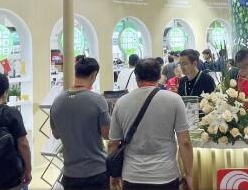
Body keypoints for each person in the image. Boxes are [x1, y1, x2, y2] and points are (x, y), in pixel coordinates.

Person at [108, 58, 193, 190]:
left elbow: (112, 143)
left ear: (136, 77)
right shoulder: (174, 100)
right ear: (159, 76)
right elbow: (185, 142)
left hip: (132, 176)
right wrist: (189, 174)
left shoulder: (121, 102)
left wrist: (113, 174)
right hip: (166, 175)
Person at [50, 56, 110, 190]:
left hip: (69, 174)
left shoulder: (57, 101)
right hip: (96, 171)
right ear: (94, 75)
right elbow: (107, 134)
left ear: (76, 73)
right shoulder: (97, 101)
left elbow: (56, 134)